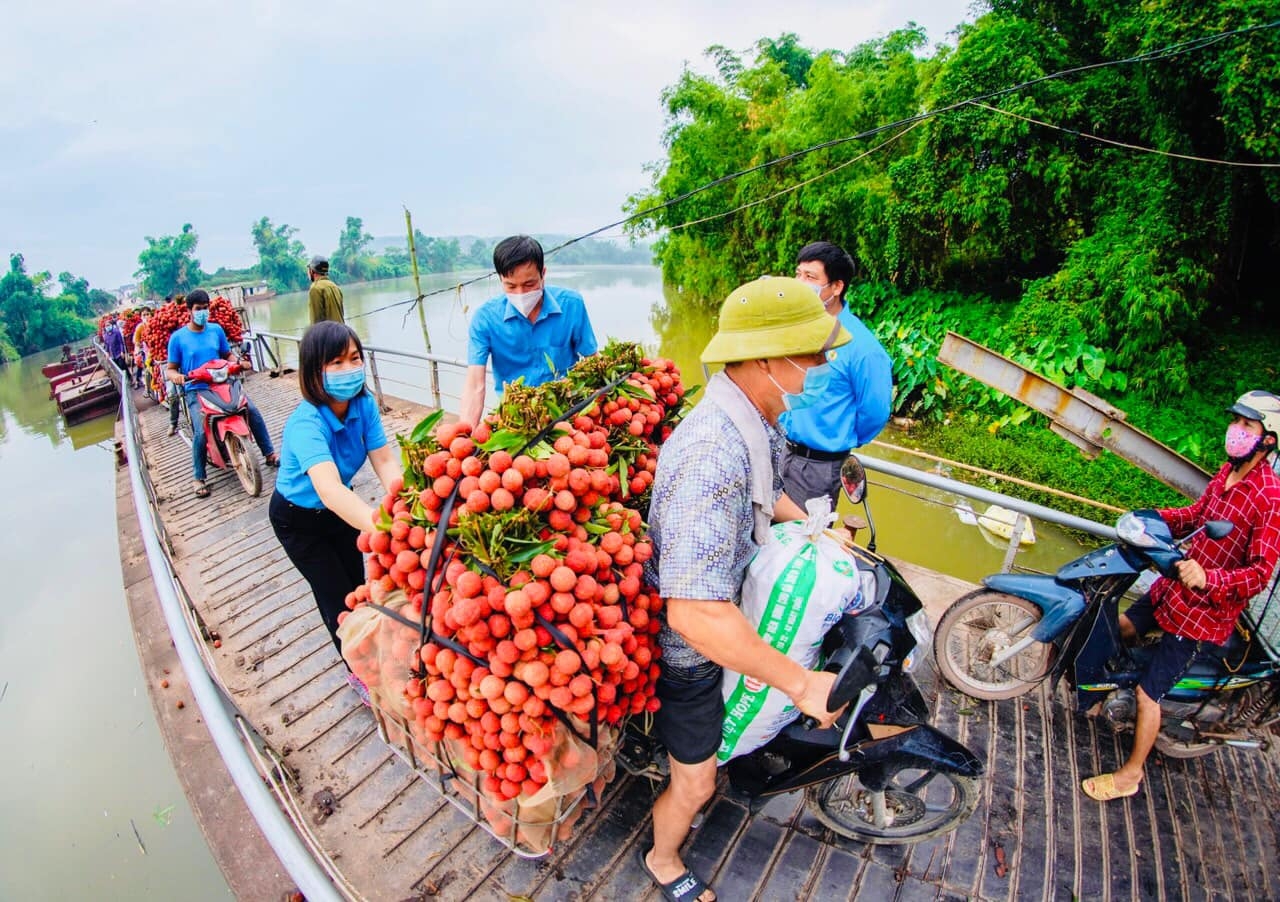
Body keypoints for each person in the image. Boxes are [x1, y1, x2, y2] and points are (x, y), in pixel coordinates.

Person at [638, 276, 851, 902]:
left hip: (736, 602)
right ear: (765, 360)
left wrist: (810, 523)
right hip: (694, 653)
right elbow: (696, 617)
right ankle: (663, 858)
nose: (820, 366)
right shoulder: (710, 456)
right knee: (697, 783)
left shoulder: (756, 416)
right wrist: (801, 683)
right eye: (810, 354)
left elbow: (766, 492)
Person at [1081, 390, 1280, 802]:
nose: (1237, 430)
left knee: (1148, 695)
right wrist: (1149, 519)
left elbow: (1260, 573)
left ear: (1268, 439)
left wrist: (1210, 579)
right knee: (1118, 626)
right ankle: (1106, 694)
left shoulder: (1269, 497)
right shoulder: (1227, 473)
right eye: (1236, 421)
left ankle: (1130, 775)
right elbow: (1195, 516)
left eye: (1248, 425)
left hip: (1203, 616)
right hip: (1171, 590)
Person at [270, 321, 402, 704]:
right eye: (336, 362)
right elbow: (327, 488)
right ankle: (357, 672)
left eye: (354, 358)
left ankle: (370, 657)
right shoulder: (306, 423)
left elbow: (384, 461)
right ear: (314, 371)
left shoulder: (363, 404)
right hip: (298, 520)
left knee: (357, 585)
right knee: (338, 597)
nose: (349, 368)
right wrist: (385, 532)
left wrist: (406, 507)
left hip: (339, 512)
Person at [781, 241, 893, 508]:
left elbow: (875, 413)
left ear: (836, 287)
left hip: (819, 468)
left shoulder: (862, 348)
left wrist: (838, 438)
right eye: (798, 274)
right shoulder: (798, 329)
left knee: (803, 542)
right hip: (781, 451)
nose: (800, 282)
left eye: (810, 277)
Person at [459, 235, 597, 426]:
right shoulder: (485, 319)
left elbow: (592, 361)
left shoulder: (571, 305)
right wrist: (464, 436)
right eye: (511, 286)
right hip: (516, 418)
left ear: (543, 274)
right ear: (501, 280)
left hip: (569, 413)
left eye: (529, 284)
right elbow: (475, 385)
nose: (520, 294)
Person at [165, 290, 278, 497]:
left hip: (223, 382)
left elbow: (227, 355)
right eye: (199, 309)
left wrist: (239, 362)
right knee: (200, 430)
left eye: (206, 307)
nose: (203, 312)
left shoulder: (216, 330)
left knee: (251, 410)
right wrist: (176, 377)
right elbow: (170, 368)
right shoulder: (178, 339)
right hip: (196, 389)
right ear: (189, 310)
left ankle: (269, 453)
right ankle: (198, 477)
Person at [308, 256, 345, 324]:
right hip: (342, 331)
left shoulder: (315, 288)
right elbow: (342, 313)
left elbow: (316, 321)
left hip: (328, 333)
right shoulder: (335, 286)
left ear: (312, 271)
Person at [131, 307, 152, 389]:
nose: (146, 316)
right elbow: (136, 341)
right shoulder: (140, 327)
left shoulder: (155, 322)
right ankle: (148, 388)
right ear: (141, 316)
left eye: (147, 314)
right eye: (144, 315)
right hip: (147, 352)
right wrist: (142, 343)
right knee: (148, 370)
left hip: (158, 350)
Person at [104, 314, 128, 380]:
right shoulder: (106, 335)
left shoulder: (116, 332)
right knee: (118, 368)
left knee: (123, 366)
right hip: (113, 355)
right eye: (106, 326)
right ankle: (124, 380)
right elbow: (106, 345)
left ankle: (129, 378)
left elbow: (121, 342)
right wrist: (107, 352)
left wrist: (122, 351)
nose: (107, 327)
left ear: (111, 325)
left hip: (119, 353)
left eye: (108, 325)